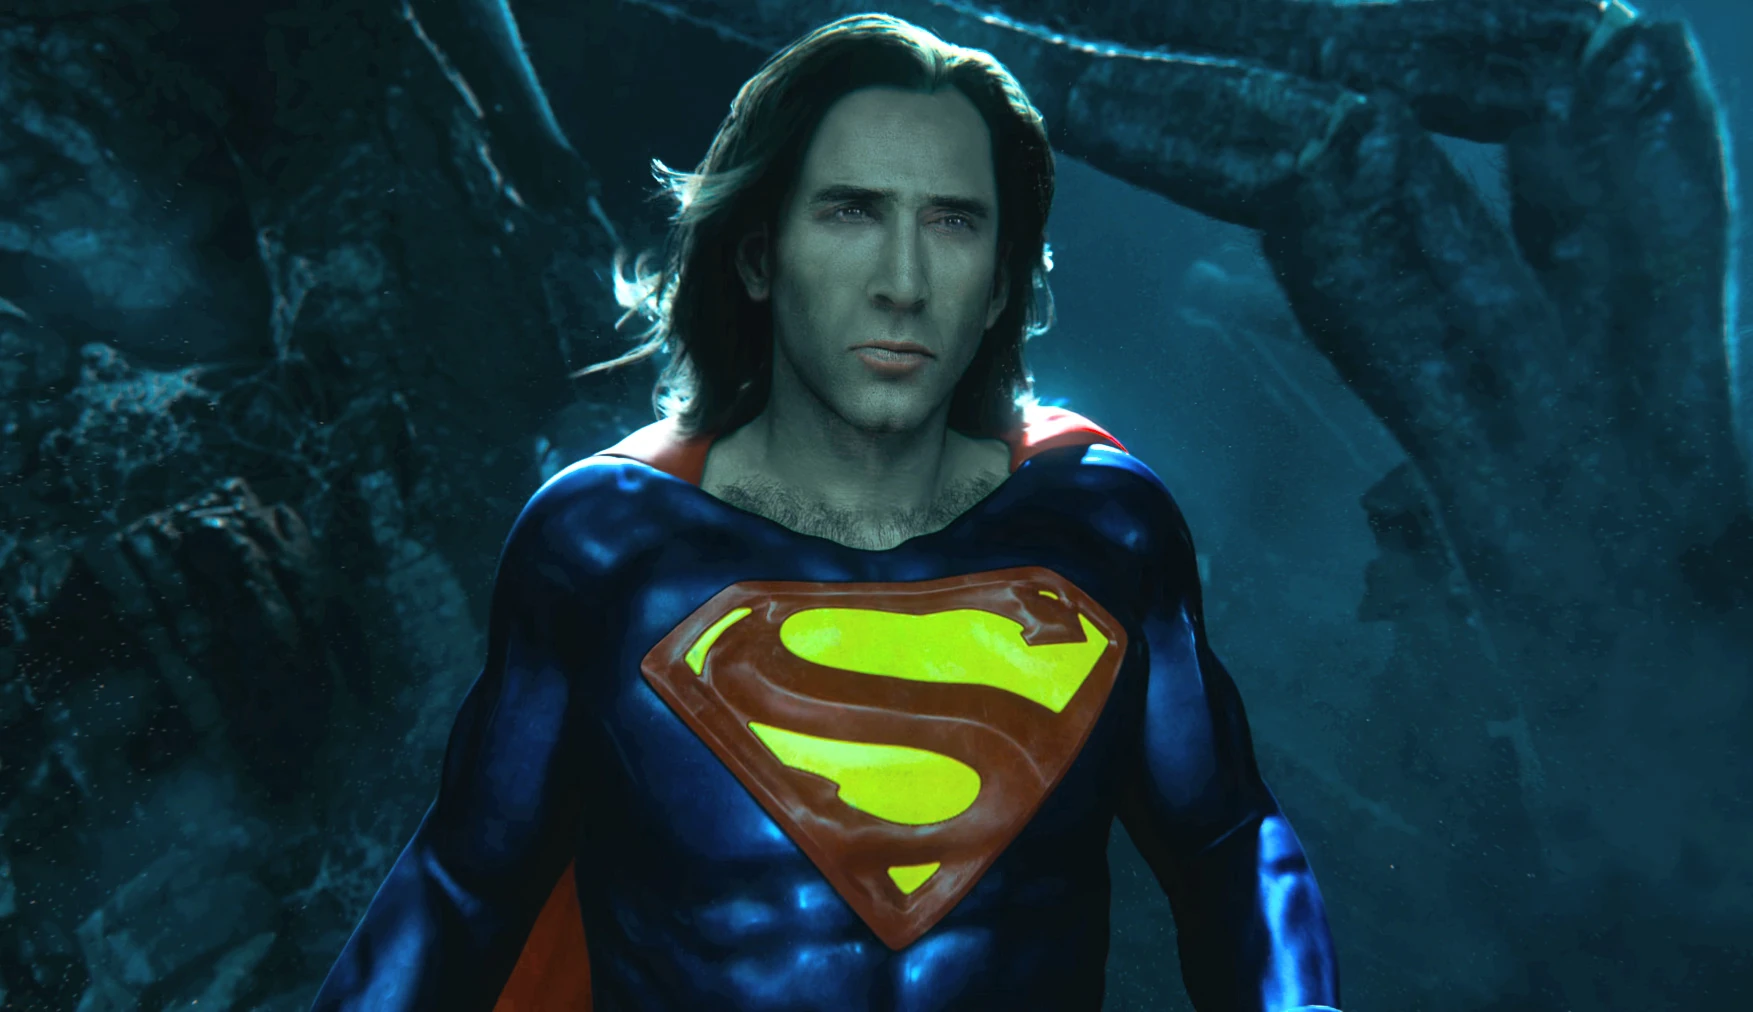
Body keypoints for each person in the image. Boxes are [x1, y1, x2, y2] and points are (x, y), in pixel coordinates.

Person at [313, 13, 1342, 1011]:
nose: (902, 282)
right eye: (851, 212)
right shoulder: (606, 549)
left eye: (953, 221)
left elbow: (1225, 845)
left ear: (999, 283)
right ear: (756, 256)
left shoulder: (1103, 529)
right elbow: (464, 885)